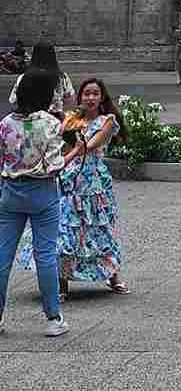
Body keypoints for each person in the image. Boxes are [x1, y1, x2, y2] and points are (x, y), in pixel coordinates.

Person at [24, 77, 126, 299]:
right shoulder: (71, 119)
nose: (90, 98)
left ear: (102, 97)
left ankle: (113, 275)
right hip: (68, 176)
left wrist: (75, 137)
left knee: (98, 227)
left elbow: (91, 145)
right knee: (64, 228)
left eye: (95, 93)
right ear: (79, 97)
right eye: (86, 94)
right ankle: (61, 283)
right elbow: (57, 143)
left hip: (93, 181)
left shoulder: (107, 120)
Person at [0, 70, 69, 337]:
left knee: (3, 256)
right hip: (43, 193)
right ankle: (53, 318)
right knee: (45, 256)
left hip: (10, 191)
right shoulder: (51, 123)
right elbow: (55, 166)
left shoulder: (5, 123)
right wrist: (74, 151)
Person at [8, 42, 74, 116]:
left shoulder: (24, 77)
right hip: (55, 118)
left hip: (29, 120)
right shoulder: (62, 77)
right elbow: (70, 99)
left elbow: (13, 100)